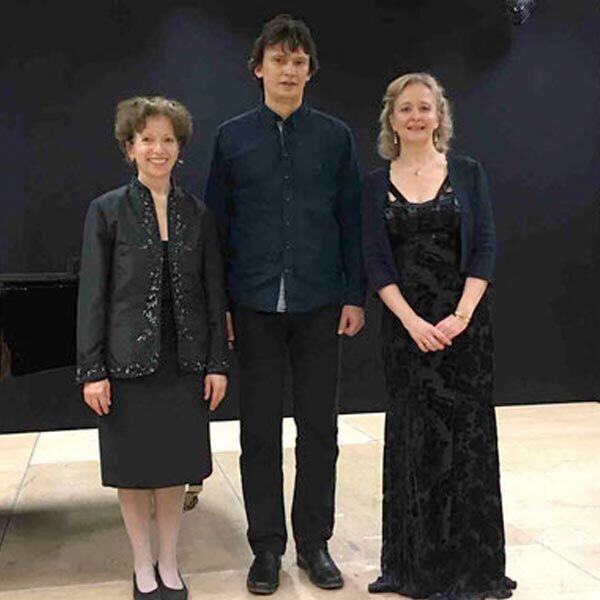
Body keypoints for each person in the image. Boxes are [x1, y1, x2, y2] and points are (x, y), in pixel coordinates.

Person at [205, 14, 365, 595]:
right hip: (252, 305)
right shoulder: (232, 138)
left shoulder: (335, 137)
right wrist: (219, 305)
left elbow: (352, 220)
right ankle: (267, 547)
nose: (289, 70)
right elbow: (216, 228)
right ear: (259, 68)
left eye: (299, 62)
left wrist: (354, 294)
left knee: (320, 429)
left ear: (309, 71)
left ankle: (314, 542)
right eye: (279, 60)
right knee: (259, 432)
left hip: (320, 301)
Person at [362, 73, 516, 600]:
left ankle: (471, 571)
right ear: (391, 118)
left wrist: (460, 316)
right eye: (405, 108)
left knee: (467, 444)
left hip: (464, 331)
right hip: (406, 331)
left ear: (439, 116)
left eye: (424, 107)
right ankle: (412, 569)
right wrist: (412, 322)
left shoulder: (468, 173)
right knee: (414, 442)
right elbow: (375, 260)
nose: (415, 116)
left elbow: (486, 247)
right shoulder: (373, 184)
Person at [76, 96, 228, 600]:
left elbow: (213, 294)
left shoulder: (197, 214)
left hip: (184, 362)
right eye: (147, 140)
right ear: (130, 147)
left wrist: (217, 364)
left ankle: (169, 560)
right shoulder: (106, 210)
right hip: (125, 363)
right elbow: (92, 295)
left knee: (174, 468)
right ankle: (142, 563)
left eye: (168, 140)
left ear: (180, 148)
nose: (158, 149)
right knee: (134, 470)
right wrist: (92, 370)